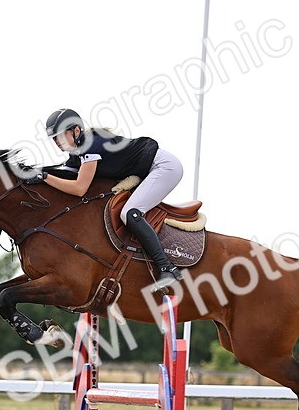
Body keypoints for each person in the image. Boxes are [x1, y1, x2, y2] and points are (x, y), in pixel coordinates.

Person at [26, 108, 184, 290]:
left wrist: (44, 177)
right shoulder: (77, 152)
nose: (57, 142)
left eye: (60, 136)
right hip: (151, 169)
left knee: (130, 213)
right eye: (54, 138)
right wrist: (34, 172)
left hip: (164, 167)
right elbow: (61, 173)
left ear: (76, 131)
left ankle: (167, 267)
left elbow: (79, 189)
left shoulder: (90, 144)